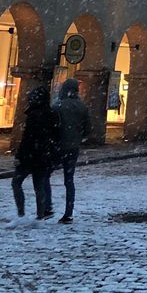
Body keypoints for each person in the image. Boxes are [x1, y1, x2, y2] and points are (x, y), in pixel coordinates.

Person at [12, 86, 58, 221]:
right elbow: (55, 137)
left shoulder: (33, 115)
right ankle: (40, 214)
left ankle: (21, 213)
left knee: (17, 183)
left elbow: (27, 138)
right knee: (39, 186)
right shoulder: (51, 114)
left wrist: (19, 156)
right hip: (43, 156)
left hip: (30, 157)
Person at [53, 79, 90, 224]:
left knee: (44, 175)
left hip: (58, 146)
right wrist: (79, 137)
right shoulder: (82, 107)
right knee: (69, 180)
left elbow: (52, 125)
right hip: (73, 147)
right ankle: (68, 212)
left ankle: (45, 207)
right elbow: (88, 129)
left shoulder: (58, 105)